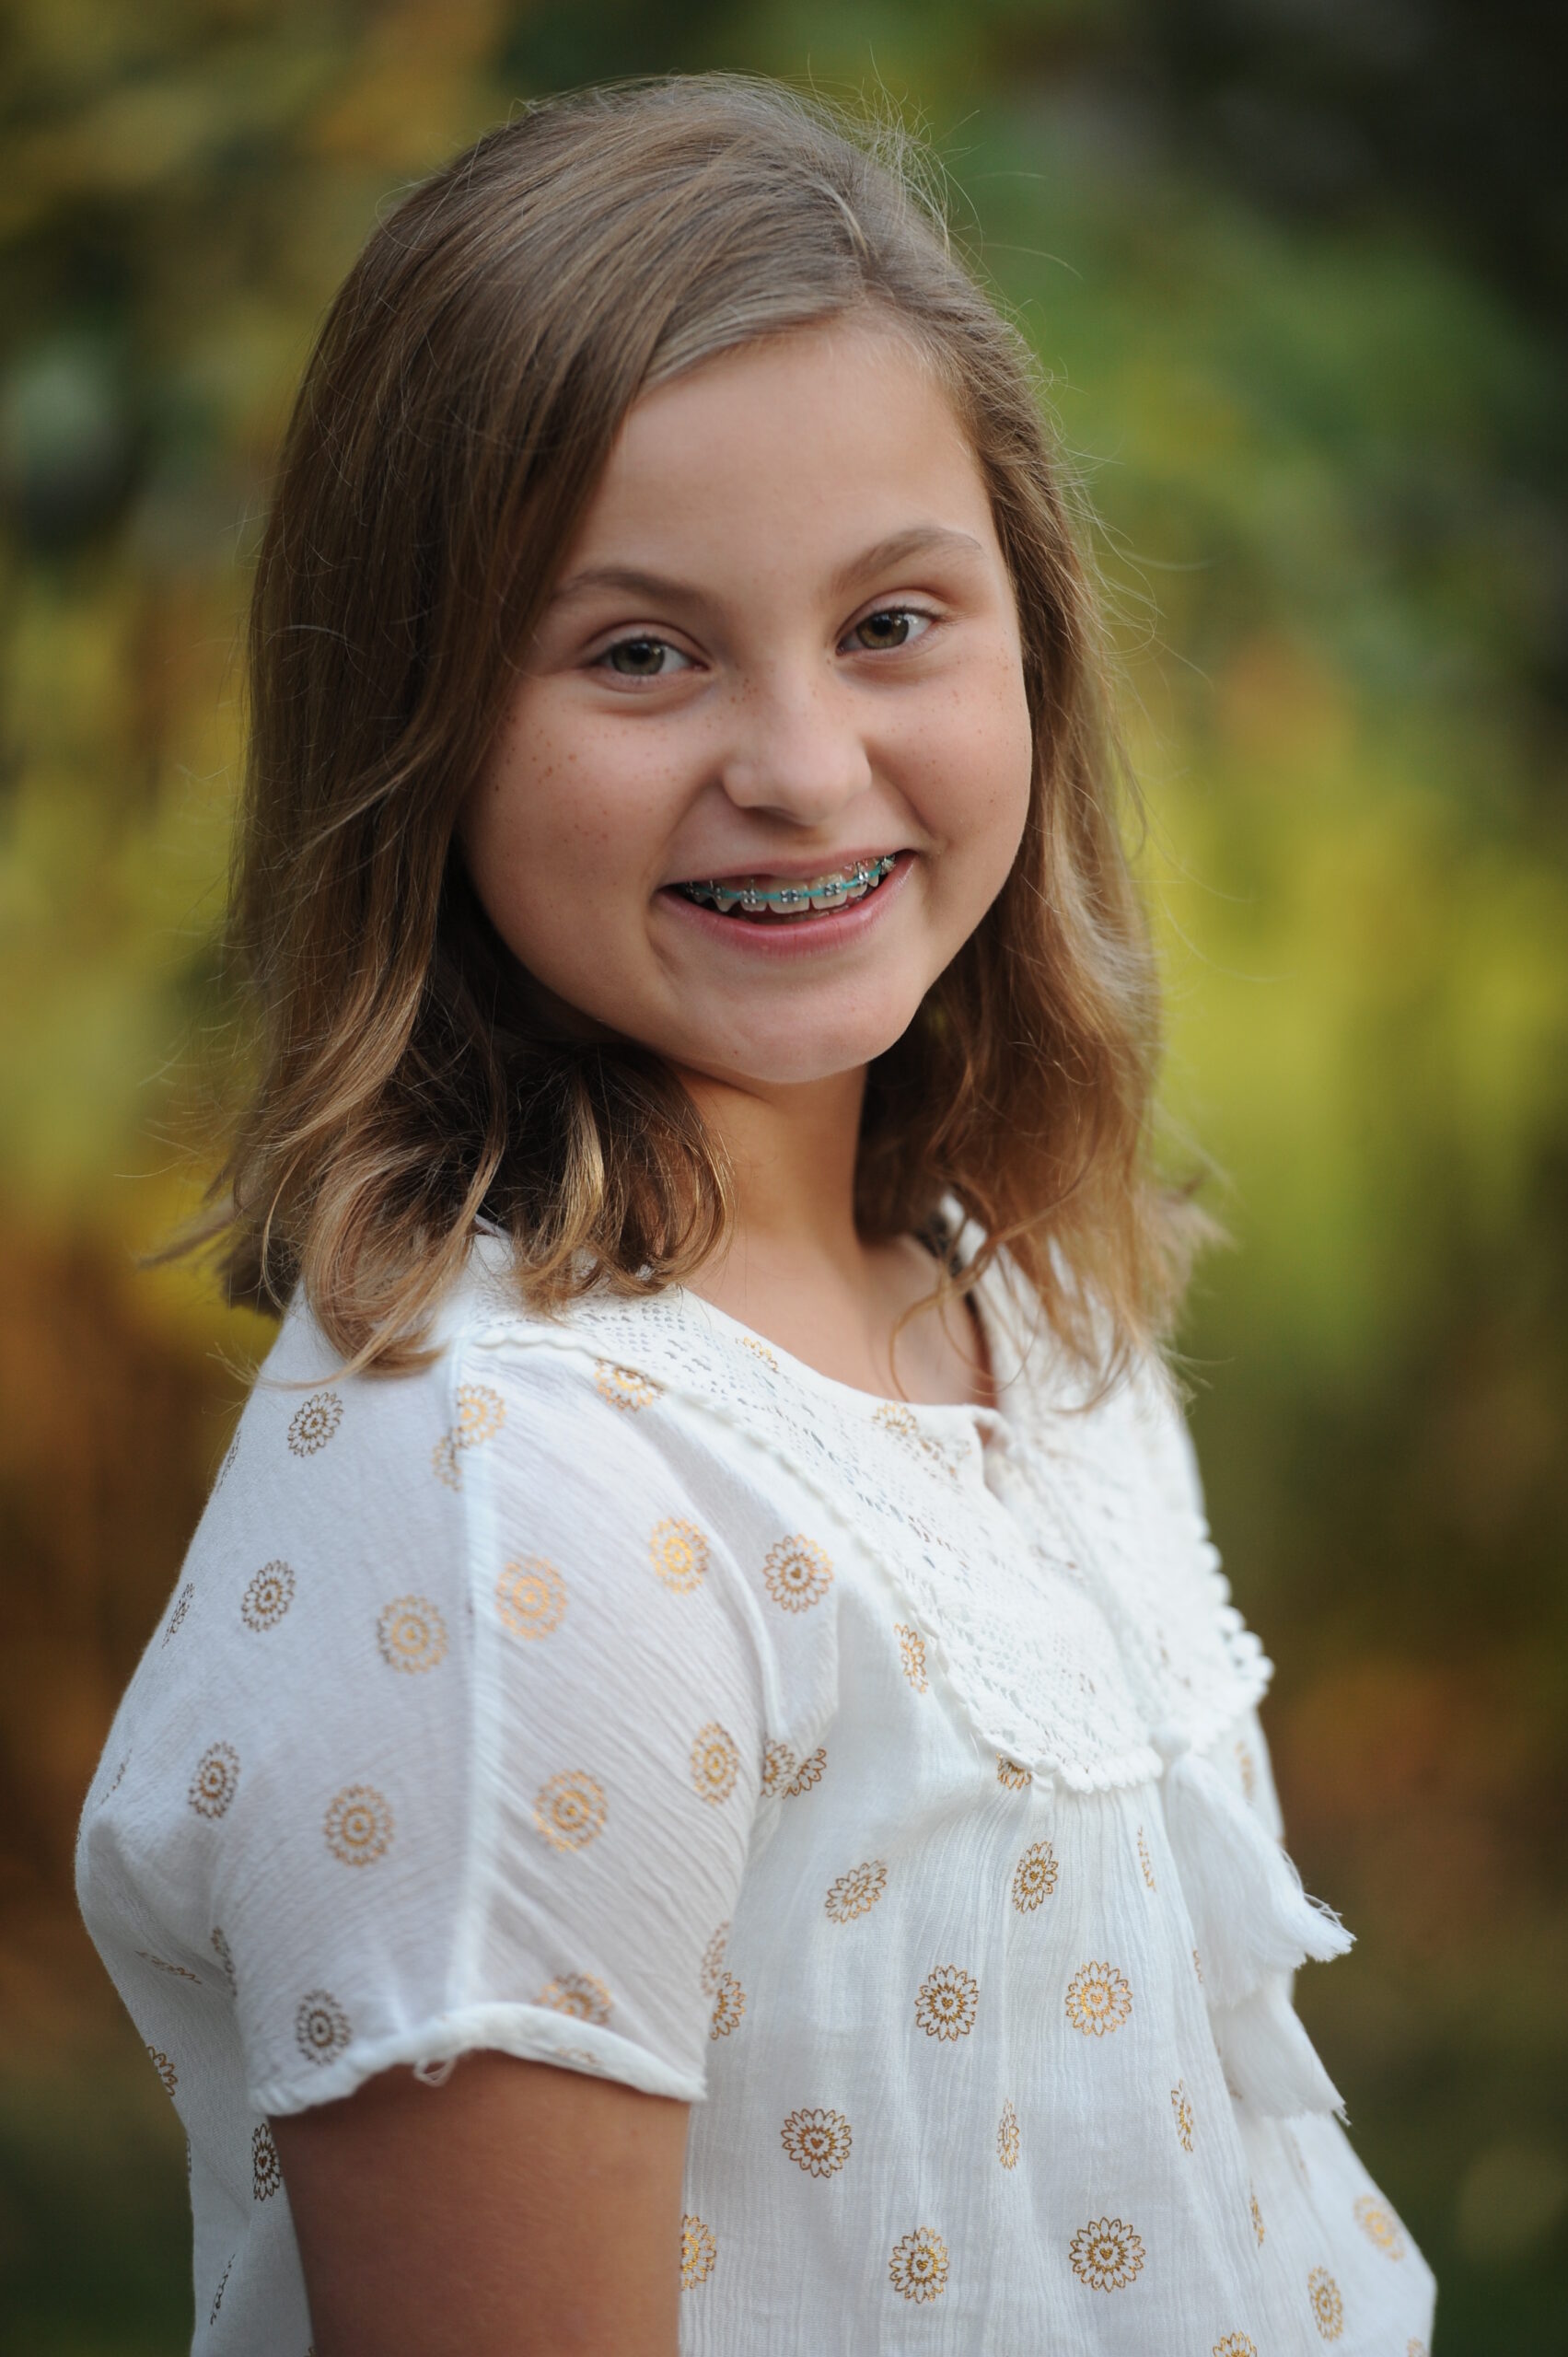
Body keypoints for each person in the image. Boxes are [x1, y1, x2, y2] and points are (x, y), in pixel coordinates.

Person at [75, 74, 1435, 2357]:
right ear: (414, 725)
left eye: (895, 620)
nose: (803, 763)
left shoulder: (1017, 1300)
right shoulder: (516, 1510)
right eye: (638, 652)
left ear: (1037, 641)